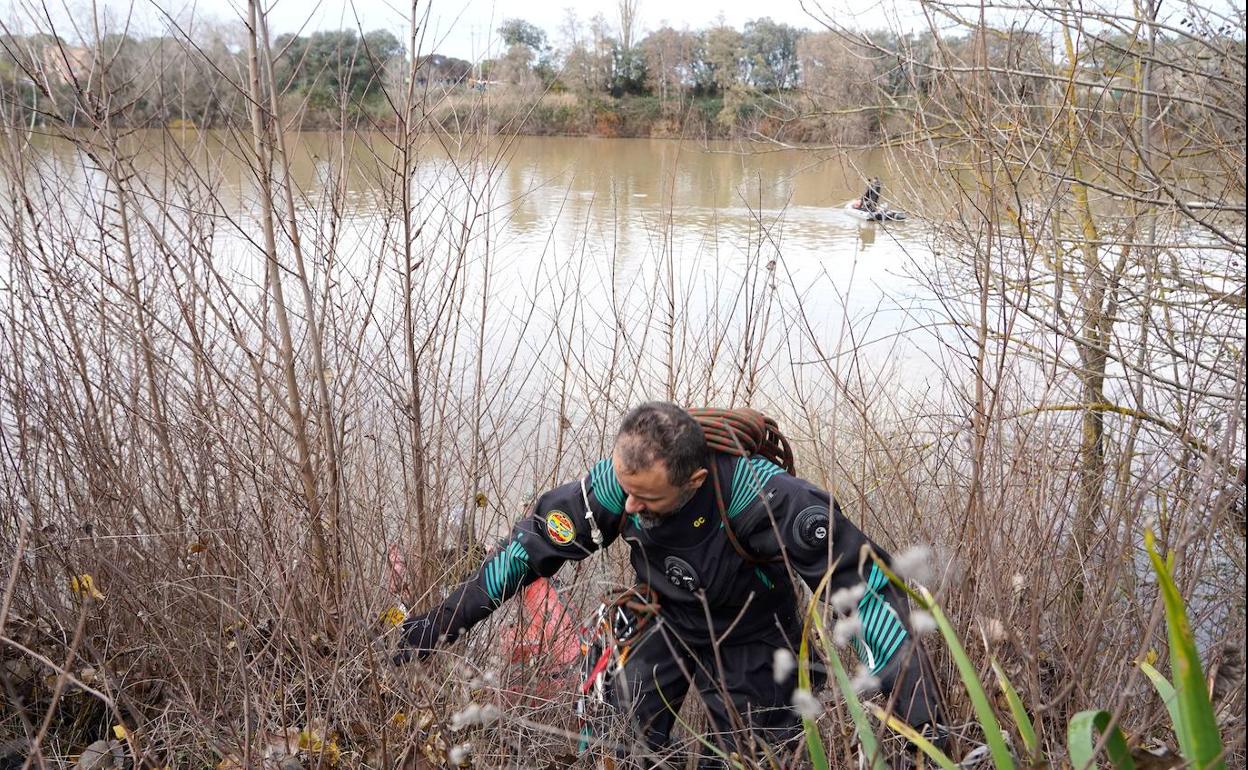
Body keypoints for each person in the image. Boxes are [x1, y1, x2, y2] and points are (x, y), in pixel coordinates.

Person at [397, 403, 941, 767]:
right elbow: (524, 554)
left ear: (694, 481)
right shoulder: (619, 483)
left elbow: (869, 593)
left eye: (647, 500)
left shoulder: (765, 499)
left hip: (751, 634)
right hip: (664, 618)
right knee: (622, 746)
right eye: (626, 492)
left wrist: (923, 732)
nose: (629, 508)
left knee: (755, 757)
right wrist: (438, 626)